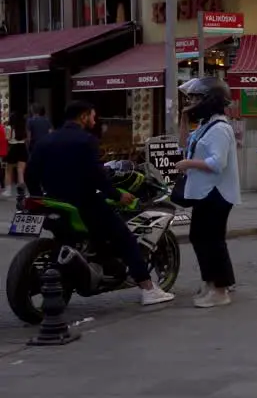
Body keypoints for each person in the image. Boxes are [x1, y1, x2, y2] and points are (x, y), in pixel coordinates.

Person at [26, 101, 174, 306]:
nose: (94, 120)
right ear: (83, 116)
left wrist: (39, 196)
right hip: (84, 202)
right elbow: (96, 174)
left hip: (52, 202)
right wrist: (116, 195)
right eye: (93, 116)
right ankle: (148, 289)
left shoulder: (45, 141)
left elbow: (30, 174)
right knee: (126, 238)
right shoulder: (86, 140)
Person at [174, 77, 240, 308]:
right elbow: (182, 144)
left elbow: (217, 163)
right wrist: (183, 117)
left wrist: (189, 164)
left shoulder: (220, 128)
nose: (191, 101)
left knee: (210, 240)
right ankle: (212, 282)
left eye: (195, 97)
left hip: (217, 193)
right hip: (205, 192)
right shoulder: (206, 125)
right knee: (202, 238)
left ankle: (220, 290)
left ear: (209, 99)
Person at [4, 111, 27, 197]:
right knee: (20, 170)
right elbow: (27, 138)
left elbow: (7, 138)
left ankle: (8, 191)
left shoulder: (9, 127)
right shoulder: (23, 127)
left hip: (12, 148)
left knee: (9, 170)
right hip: (22, 147)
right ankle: (21, 190)